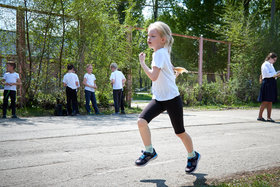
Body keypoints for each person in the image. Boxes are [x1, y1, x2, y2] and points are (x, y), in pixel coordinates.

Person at [135, 21, 200, 173]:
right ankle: (149, 151)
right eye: (148, 35)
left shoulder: (159, 54)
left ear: (163, 39)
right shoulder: (162, 53)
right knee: (141, 121)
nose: (149, 38)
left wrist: (142, 63)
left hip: (172, 99)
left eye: (153, 35)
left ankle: (192, 156)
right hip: (159, 99)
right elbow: (167, 71)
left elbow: (153, 76)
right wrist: (173, 72)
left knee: (180, 132)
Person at [257, 52, 279, 122]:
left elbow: (273, 75)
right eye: (274, 60)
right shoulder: (265, 64)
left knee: (270, 101)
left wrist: (277, 75)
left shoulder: (271, 65)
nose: (274, 61)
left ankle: (269, 117)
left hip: (271, 83)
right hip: (267, 83)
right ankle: (260, 117)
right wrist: (276, 74)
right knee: (265, 101)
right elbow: (267, 74)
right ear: (270, 58)